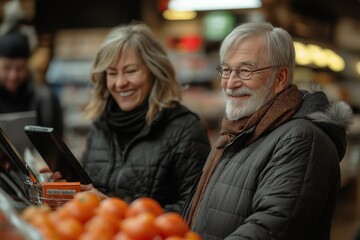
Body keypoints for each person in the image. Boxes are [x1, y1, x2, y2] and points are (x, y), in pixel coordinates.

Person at [184, 22, 353, 239]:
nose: (230, 83)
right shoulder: (236, 132)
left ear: (280, 78)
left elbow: (271, 229)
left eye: (245, 71)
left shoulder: (303, 140)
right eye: (226, 70)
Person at [78, 22, 211, 213]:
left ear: (154, 71)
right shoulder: (100, 126)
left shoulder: (186, 130)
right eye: (112, 73)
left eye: (131, 71)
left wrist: (118, 210)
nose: (120, 83)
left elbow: (193, 211)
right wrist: (65, 185)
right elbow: (90, 192)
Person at [0, 30, 63, 137]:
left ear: (28, 67)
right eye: (7, 68)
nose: (13, 76)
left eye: (19, 68)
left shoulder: (47, 100)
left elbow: (58, 146)